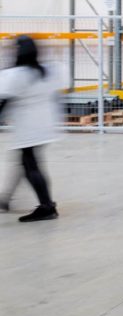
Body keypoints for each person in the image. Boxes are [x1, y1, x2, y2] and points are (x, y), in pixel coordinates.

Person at [0, 36, 64, 222]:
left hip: (28, 127)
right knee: (25, 161)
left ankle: (47, 206)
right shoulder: (47, 71)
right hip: (45, 124)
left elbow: (5, 101)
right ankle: (5, 199)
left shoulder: (18, 74)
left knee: (30, 164)